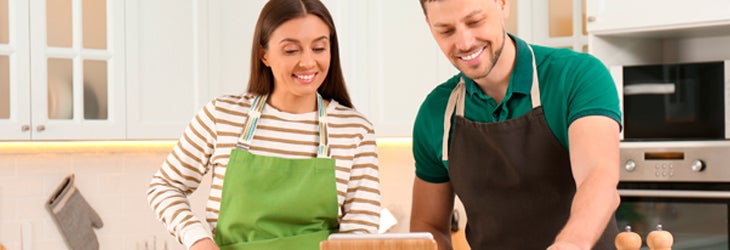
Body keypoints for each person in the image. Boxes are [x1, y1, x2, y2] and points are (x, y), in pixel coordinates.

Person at [146, 0, 381, 249]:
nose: (308, 62)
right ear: (264, 55)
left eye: (319, 48)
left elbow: (360, 234)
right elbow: (165, 186)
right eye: (291, 50)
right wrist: (198, 240)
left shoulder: (355, 131)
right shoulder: (221, 116)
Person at [409, 0, 621, 249]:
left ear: (503, 4)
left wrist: (571, 243)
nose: (464, 43)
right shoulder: (436, 112)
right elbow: (428, 225)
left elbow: (598, 178)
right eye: (446, 30)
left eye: (475, 21)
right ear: (429, 26)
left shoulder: (576, 76)